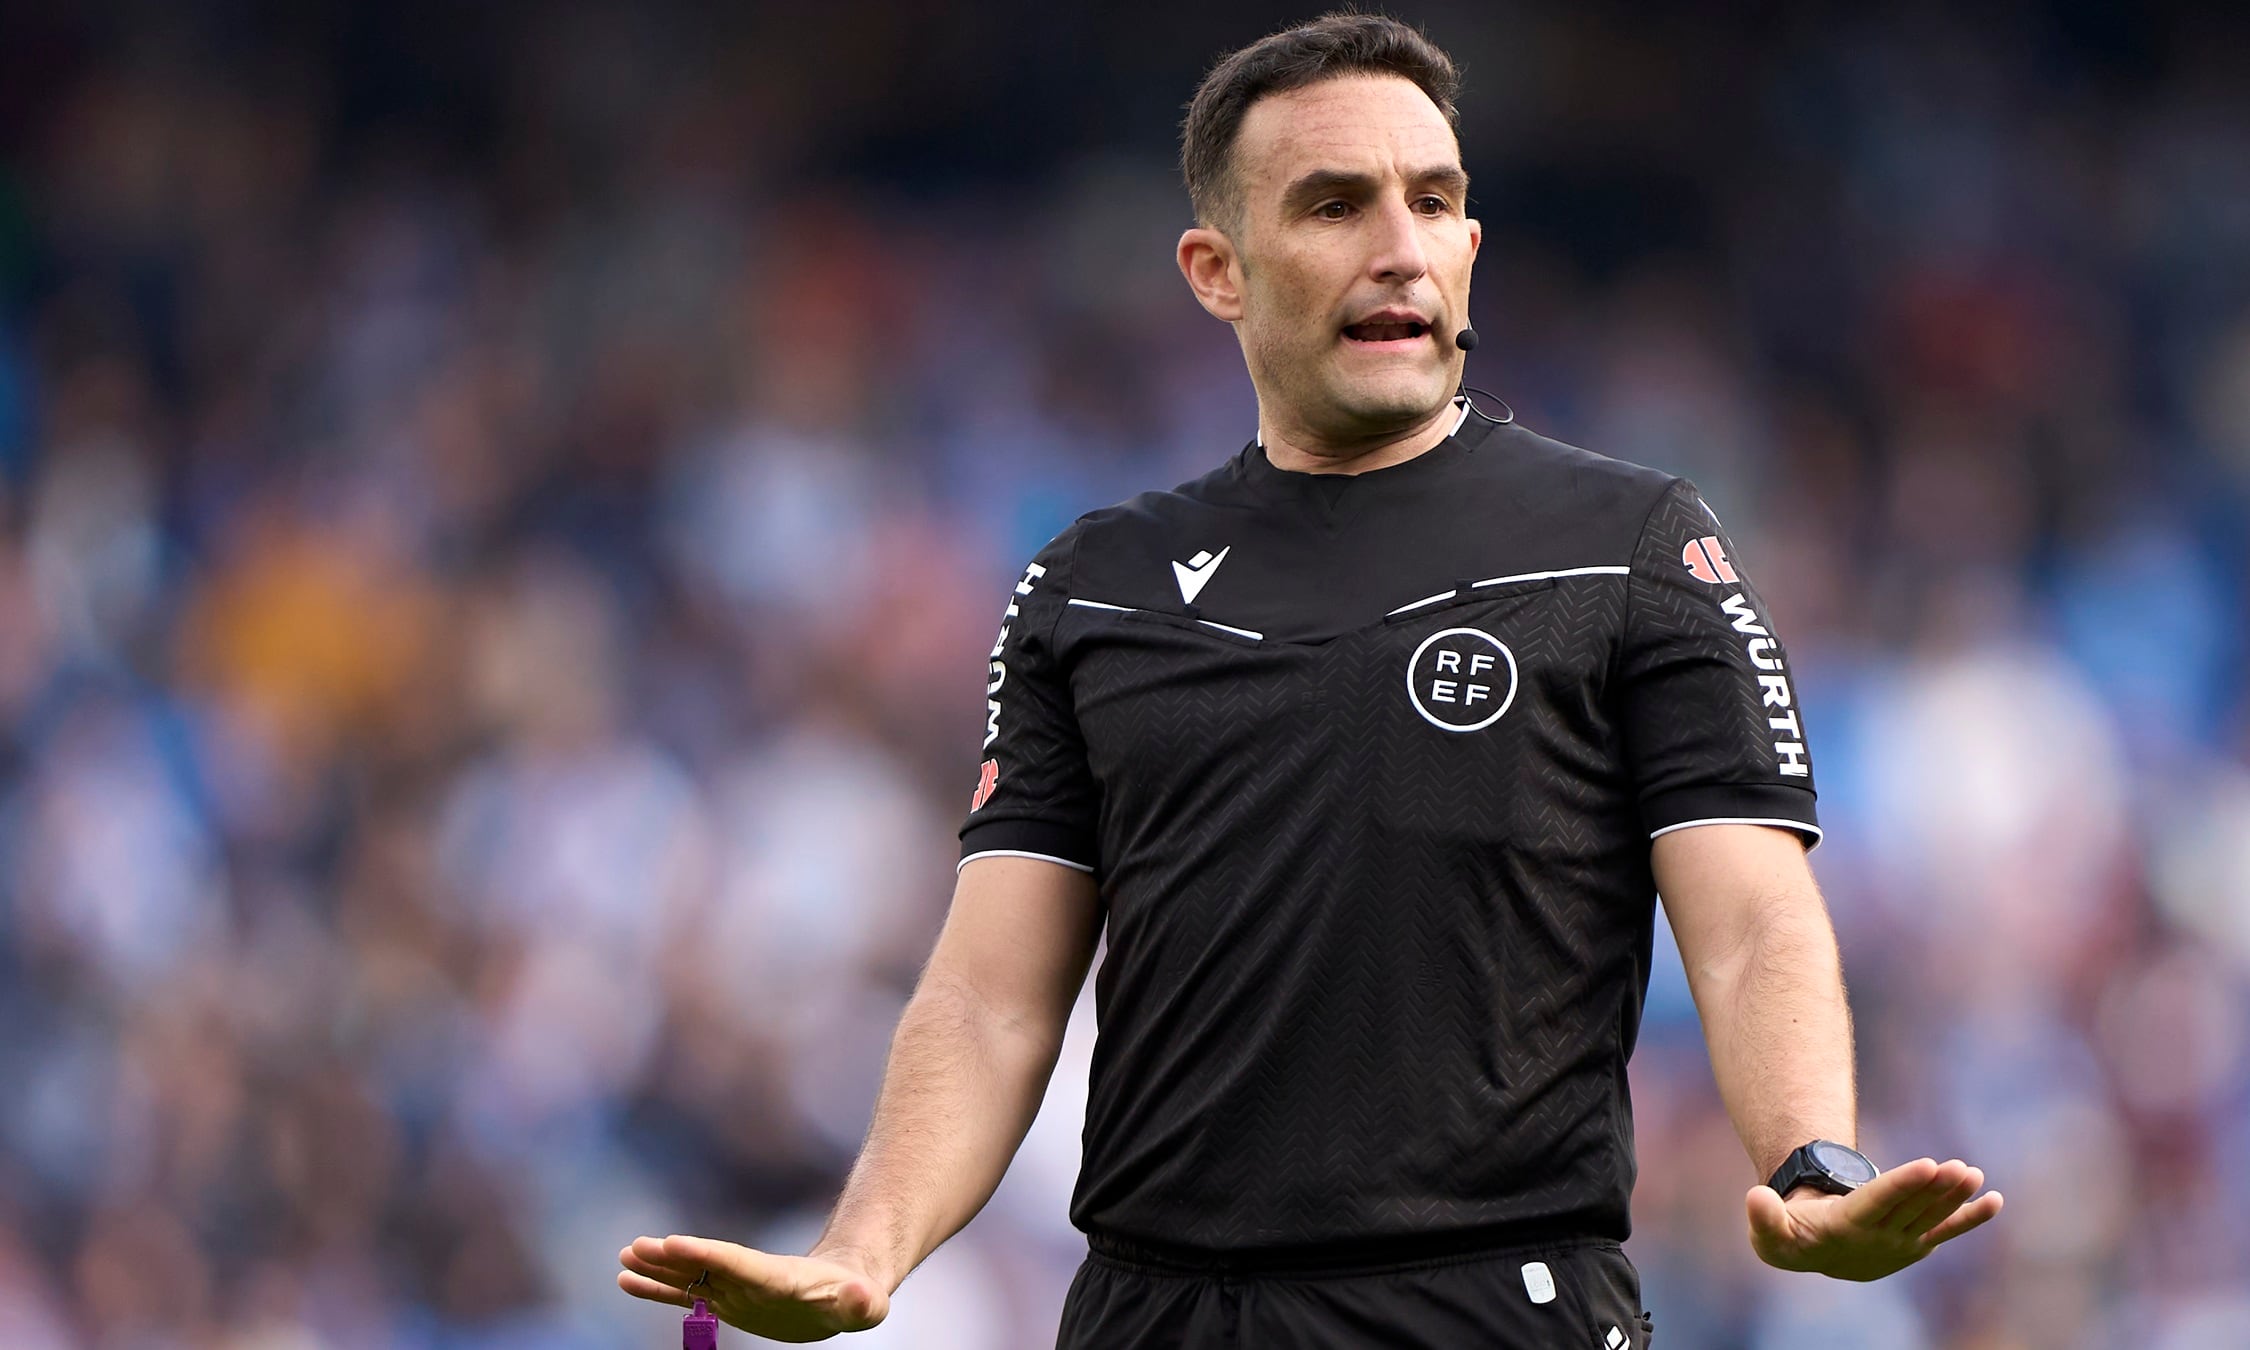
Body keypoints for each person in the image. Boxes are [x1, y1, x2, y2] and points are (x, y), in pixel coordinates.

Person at [617, 13, 2002, 1345]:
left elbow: (1752, 914)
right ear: (1217, 268)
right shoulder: (1092, 583)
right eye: (1335, 205)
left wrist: (1809, 1160)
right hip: (1151, 1315)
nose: (1397, 248)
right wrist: (866, 1251)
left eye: (1431, 200)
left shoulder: (1628, 546)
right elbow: (991, 990)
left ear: (1471, 242)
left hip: (1488, 1308)